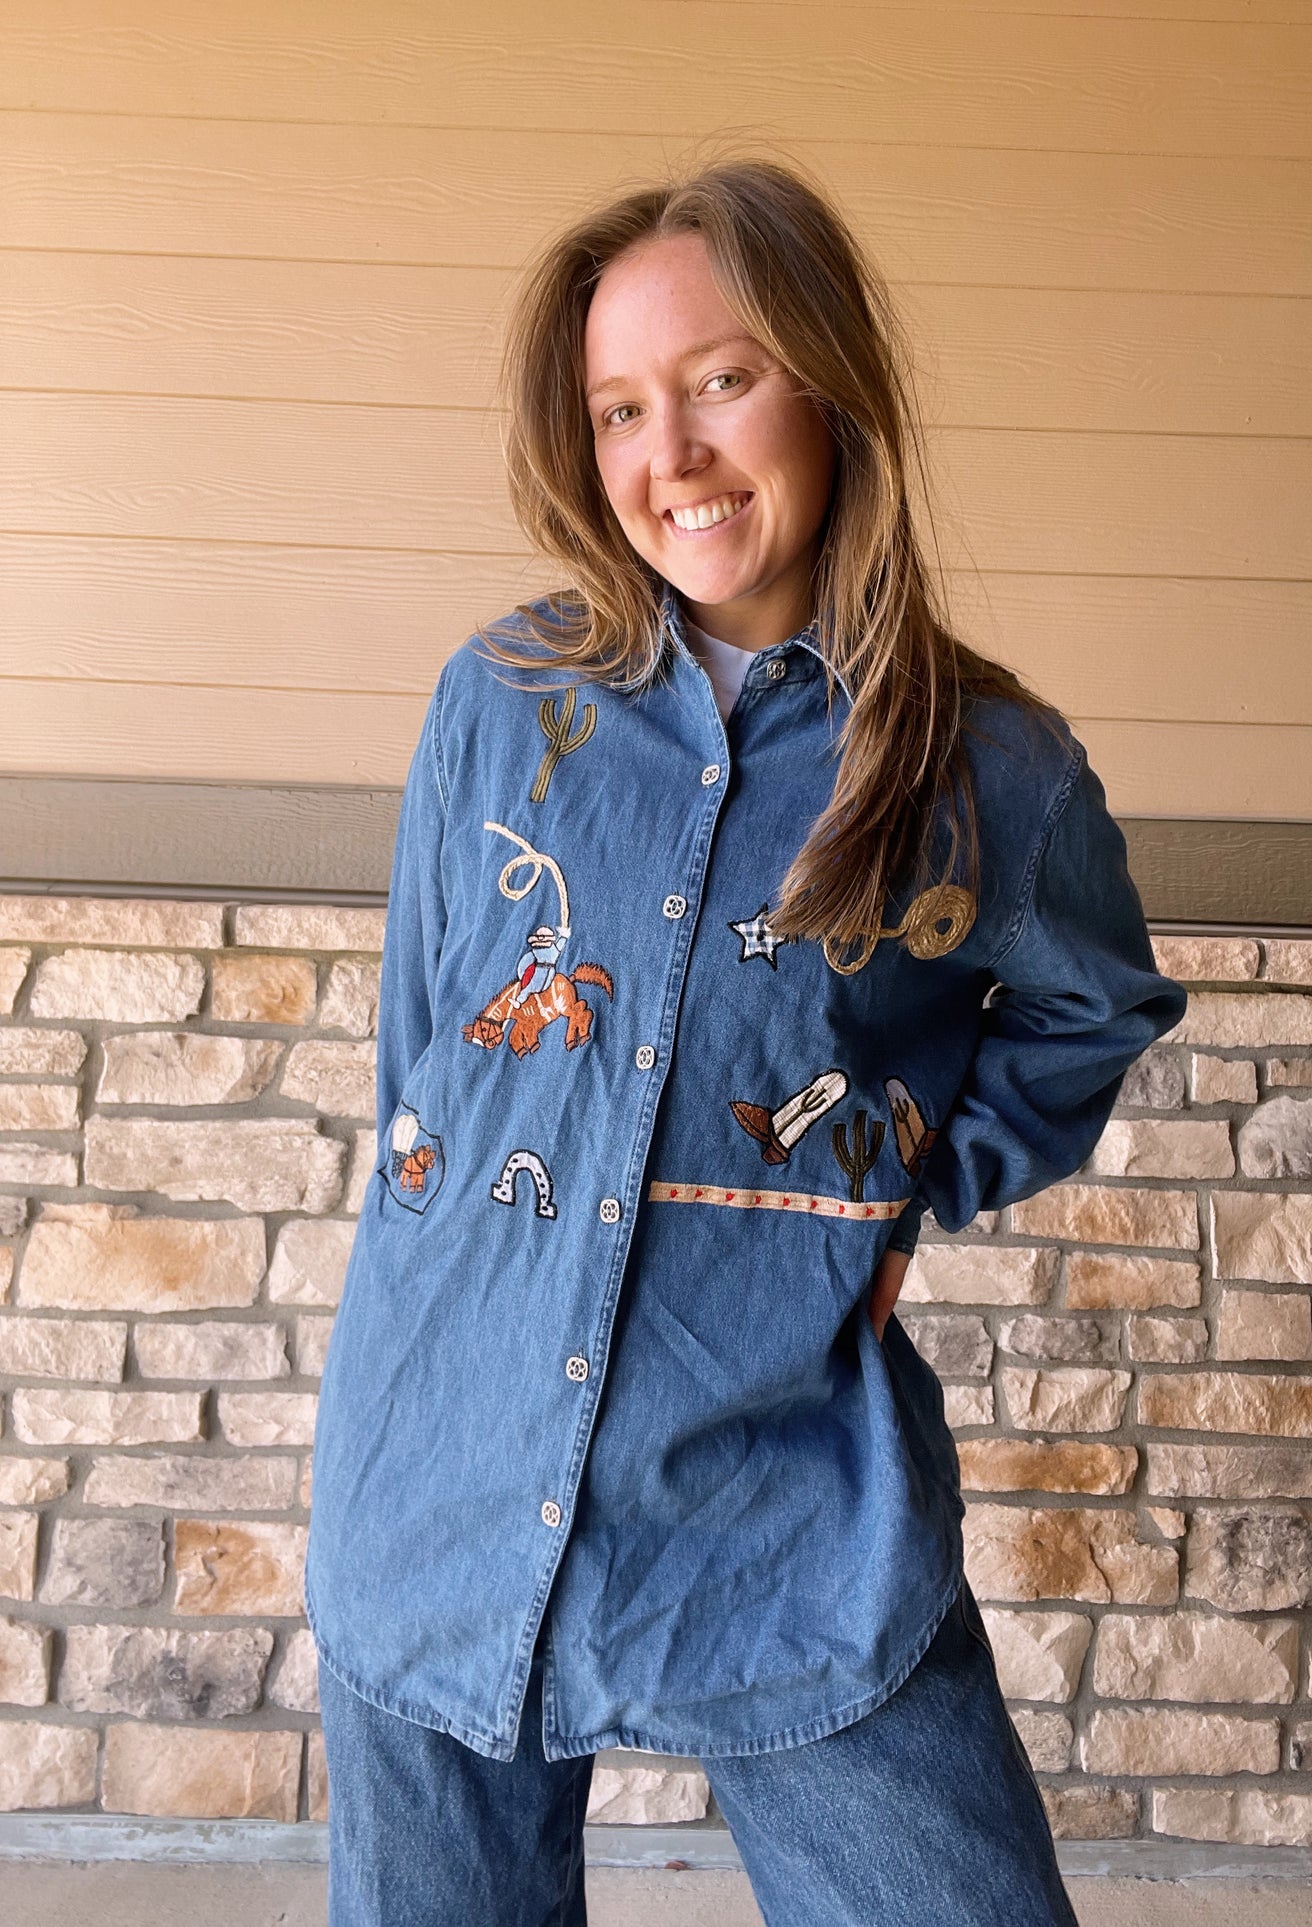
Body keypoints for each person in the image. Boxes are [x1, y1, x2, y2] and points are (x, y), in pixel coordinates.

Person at [306, 156, 1187, 1926]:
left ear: (826, 379)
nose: (671, 456)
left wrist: (899, 1179)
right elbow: (429, 1053)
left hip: (792, 1505)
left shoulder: (985, 770)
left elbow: (1094, 1011)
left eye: (719, 380)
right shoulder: (506, 703)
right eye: (621, 409)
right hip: (444, 1473)